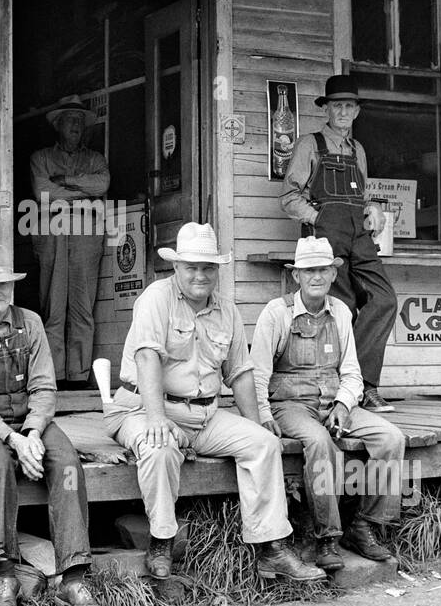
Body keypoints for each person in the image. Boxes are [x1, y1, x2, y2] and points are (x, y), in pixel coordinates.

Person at [105, 222, 326, 583]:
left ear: (217, 271)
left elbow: (239, 372)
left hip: (204, 414)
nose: (200, 275)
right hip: (142, 408)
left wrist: (253, 421)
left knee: (263, 444)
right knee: (159, 447)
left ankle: (272, 549)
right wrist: (157, 418)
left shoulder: (226, 310)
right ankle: (162, 541)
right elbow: (146, 358)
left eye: (208, 267)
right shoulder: (156, 299)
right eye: (191, 266)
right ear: (175, 267)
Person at [0, 244, 110, 606]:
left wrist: (34, 432)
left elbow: (44, 389)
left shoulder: (31, 324)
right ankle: (5, 575)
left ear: (13, 288)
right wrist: (15, 441)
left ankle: (74, 577)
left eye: (2, 285)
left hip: (31, 422)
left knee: (68, 463)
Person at [250, 237, 404, 571]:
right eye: (308, 271)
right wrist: (263, 415)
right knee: (320, 443)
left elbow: (352, 374)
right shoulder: (277, 314)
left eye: (322, 269)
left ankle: (365, 526)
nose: (316, 277)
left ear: (334, 274)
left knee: (391, 439)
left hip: (333, 402)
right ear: (296, 277)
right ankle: (327, 537)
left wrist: (343, 405)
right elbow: (257, 374)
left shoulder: (342, 313)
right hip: (291, 405)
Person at [280, 74, 397, 412]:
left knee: (384, 299)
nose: (343, 111)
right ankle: (357, 389)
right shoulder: (310, 145)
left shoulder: (357, 150)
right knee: (342, 308)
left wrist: (372, 208)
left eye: (349, 105)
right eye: (337, 106)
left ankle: (360, 381)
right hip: (327, 239)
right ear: (327, 110)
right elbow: (289, 198)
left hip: (359, 238)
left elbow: (362, 196)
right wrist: (321, 219)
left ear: (357, 111)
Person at [29, 96, 111, 390]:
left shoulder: (95, 159)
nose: (75, 125)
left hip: (87, 231)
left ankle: (76, 376)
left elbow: (101, 184)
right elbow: (43, 193)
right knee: (53, 304)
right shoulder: (41, 158)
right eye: (70, 120)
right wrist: (81, 191)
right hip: (52, 229)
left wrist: (65, 182)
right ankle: (53, 376)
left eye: (79, 121)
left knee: (82, 305)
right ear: (58, 125)